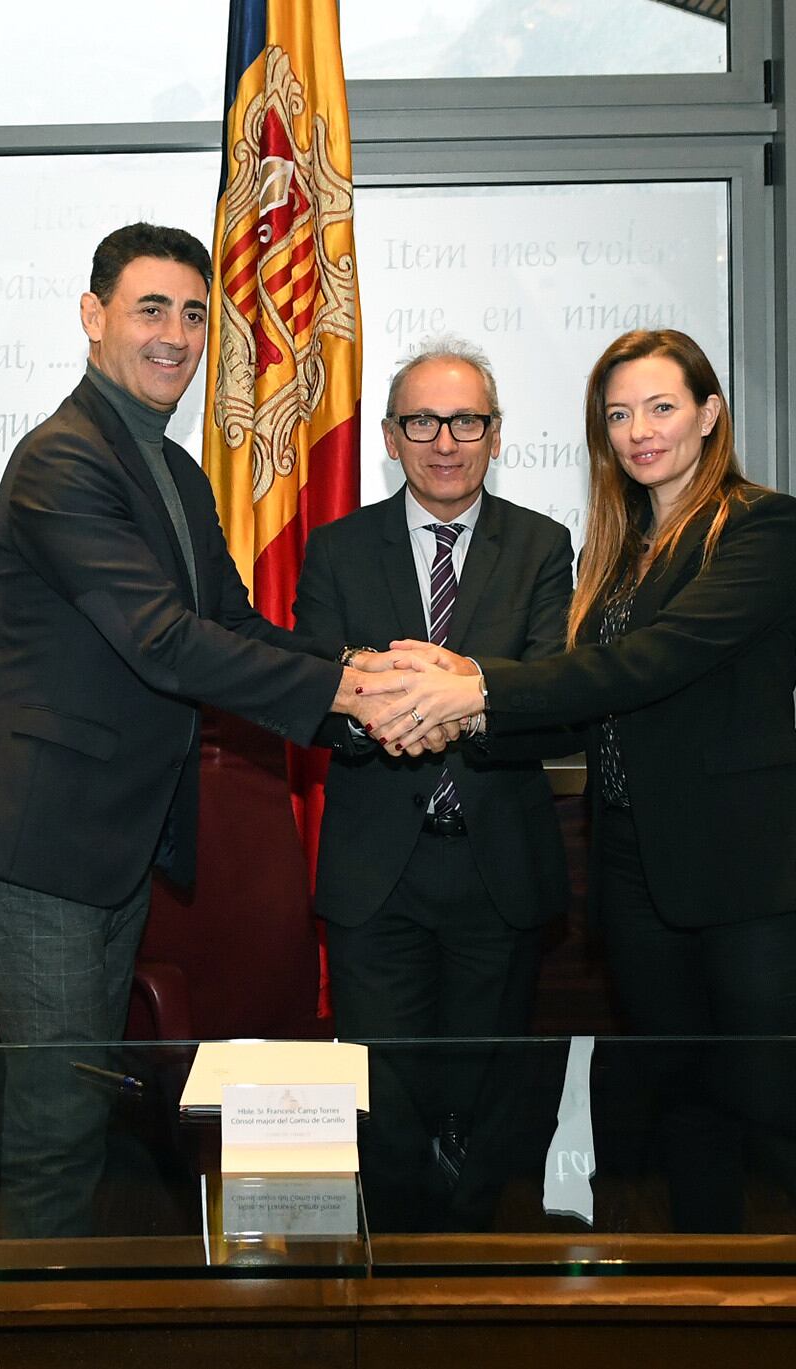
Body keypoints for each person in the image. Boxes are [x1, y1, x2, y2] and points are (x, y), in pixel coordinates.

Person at [0, 223, 386, 1233]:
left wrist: (361, 672)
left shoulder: (170, 472)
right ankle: (37, 1334)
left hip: (109, 838)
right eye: (149, 309)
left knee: (77, 1100)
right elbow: (164, 642)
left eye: (190, 313)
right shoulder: (61, 459)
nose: (174, 334)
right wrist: (348, 696)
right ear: (93, 319)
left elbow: (230, 626)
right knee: (56, 1121)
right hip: (41, 843)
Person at [361, 328, 796, 1040]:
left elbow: (653, 660)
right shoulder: (613, 554)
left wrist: (475, 689)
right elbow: (577, 700)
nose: (638, 432)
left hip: (748, 869)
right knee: (654, 1109)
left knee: (767, 1108)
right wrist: (455, 709)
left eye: (660, 408)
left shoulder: (761, 526)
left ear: (709, 414)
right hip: (633, 862)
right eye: (618, 415)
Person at [293, 342, 573, 1224]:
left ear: (496, 436)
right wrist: (413, 705)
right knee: (385, 1103)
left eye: (467, 421)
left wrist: (454, 696)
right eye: (422, 420)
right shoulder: (337, 549)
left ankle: (486, 1297)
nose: (444, 441)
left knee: (490, 1105)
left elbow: (557, 696)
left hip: (498, 866)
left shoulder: (542, 545)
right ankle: (392, 1296)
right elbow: (316, 691)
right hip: (381, 876)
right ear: (389, 434)